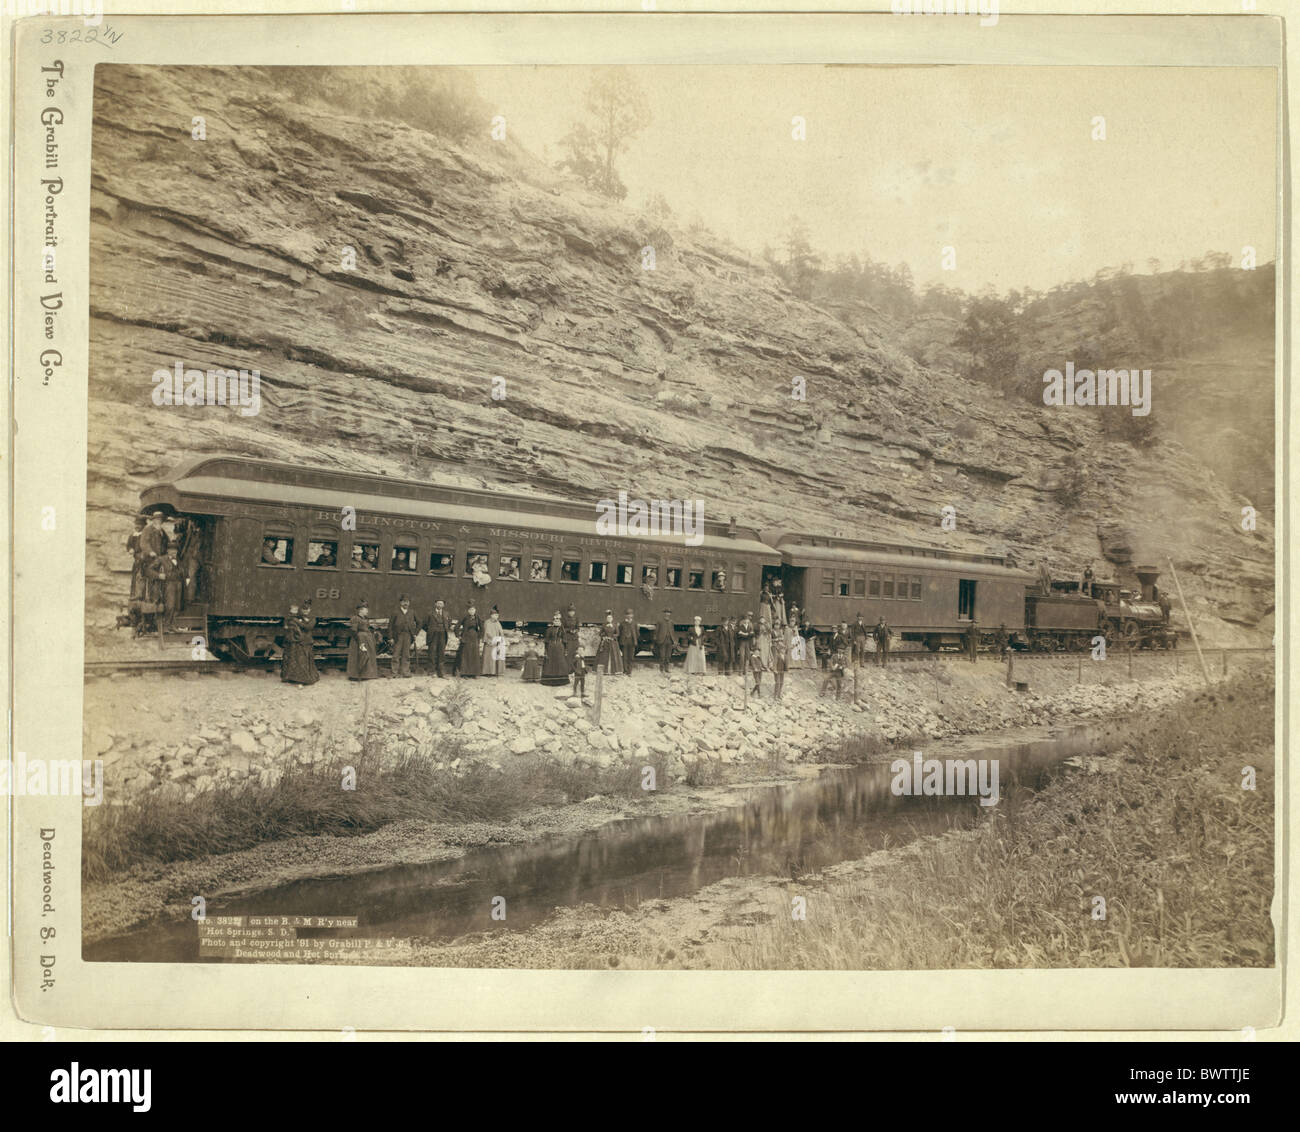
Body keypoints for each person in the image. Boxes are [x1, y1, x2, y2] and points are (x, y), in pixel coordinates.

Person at [281, 599, 319, 685]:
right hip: (299, 641)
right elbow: (289, 622)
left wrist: (296, 621)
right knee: (298, 660)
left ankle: (305, 678)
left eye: (307, 609)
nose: (305, 611)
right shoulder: (299, 617)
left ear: (309, 610)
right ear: (301, 610)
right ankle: (295, 678)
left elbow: (308, 627)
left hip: (306, 641)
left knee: (305, 660)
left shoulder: (313, 619)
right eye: (303, 610)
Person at [347, 601, 380, 681]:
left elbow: (366, 628)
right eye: (366, 609)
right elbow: (353, 631)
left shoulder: (364, 618)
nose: (367, 611)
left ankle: (367, 674)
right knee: (359, 656)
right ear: (360, 610)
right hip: (359, 640)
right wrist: (360, 642)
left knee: (367, 655)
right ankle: (356, 675)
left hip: (366, 639)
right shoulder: (355, 618)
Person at [388, 594, 419, 678]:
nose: (406, 603)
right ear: (400, 603)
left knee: (406, 654)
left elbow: (420, 622)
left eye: (407, 602)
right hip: (398, 636)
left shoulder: (412, 612)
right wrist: (390, 637)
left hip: (408, 636)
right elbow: (390, 626)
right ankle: (394, 672)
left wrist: (415, 633)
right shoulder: (395, 612)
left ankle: (405, 672)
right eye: (404, 602)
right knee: (396, 654)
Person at [424, 599, 452, 678]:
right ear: (435, 604)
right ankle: (432, 672)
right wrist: (430, 630)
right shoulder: (430, 613)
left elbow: (449, 623)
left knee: (441, 653)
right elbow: (424, 624)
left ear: (443, 605)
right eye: (438, 603)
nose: (440, 605)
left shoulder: (446, 613)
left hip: (443, 635)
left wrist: (445, 629)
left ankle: (441, 672)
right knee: (432, 653)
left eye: (441, 603)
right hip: (433, 635)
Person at [541, 613, 570, 686]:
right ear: (553, 622)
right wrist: (546, 650)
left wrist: (566, 649)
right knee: (550, 663)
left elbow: (565, 640)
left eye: (558, 621)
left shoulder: (562, 630)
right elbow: (546, 641)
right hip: (551, 648)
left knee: (560, 662)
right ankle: (549, 680)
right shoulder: (549, 630)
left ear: (560, 622)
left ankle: (561, 680)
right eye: (555, 621)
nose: (556, 622)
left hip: (560, 648)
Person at [456, 603, 483, 677]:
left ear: (475, 610)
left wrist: (480, 636)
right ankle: (464, 673)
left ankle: (474, 673)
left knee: (474, 655)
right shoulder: (464, 617)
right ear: (468, 611)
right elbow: (457, 626)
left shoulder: (477, 617)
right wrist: (458, 636)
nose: (472, 611)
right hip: (466, 637)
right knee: (466, 655)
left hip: (474, 638)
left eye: (473, 610)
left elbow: (482, 627)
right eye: (470, 610)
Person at [820, 632, 849, 699]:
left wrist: (842, 667)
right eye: (839, 649)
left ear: (843, 651)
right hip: (833, 671)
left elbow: (847, 665)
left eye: (841, 650)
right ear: (838, 650)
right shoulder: (834, 655)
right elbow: (830, 662)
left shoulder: (844, 658)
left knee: (839, 684)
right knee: (826, 679)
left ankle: (838, 696)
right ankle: (822, 692)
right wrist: (832, 666)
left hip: (839, 672)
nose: (840, 651)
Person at [480, 606, 506, 676]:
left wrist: (501, 639)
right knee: (489, 657)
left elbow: (501, 631)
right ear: (491, 615)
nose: (496, 616)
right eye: (495, 615)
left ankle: (495, 672)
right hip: (490, 642)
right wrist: (495, 639)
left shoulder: (498, 623)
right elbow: (487, 633)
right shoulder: (487, 622)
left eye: (497, 615)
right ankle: (487, 672)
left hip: (496, 641)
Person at [596, 610, 619, 675]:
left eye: (610, 618)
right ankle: (605, 671)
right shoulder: (604, 625)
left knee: (614, 655)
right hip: (605, 642)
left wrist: (613, 636)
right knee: (604, 656)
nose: (609, 619)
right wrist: (604, 637)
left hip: (612, 642)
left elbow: (617, 633)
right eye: (608, 618)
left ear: (612, 619)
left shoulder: (615, 625)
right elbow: (600, 633)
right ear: (606, 619)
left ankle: (613, 670)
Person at [618, 609, 638, 676]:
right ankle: (625, 671)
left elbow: (637, 633)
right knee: (625, 657)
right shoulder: (622, 623)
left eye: (630, 614)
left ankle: (629, 671)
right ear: (625, 616)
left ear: (632, 615)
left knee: (631, 657)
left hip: (632, 642)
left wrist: (635, 640)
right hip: (624, 642)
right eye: (627, 614)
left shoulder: (634, 623)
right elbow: (619, 633)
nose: (629, 616)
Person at [653, 608, 674, 673]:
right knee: (662, 655)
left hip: (669, 640)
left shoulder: (671, 622)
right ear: (664, 613)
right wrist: (656, 638)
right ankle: (661, 669)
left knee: (668, 656)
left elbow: (672, 631)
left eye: (669, 612)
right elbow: (657, 631)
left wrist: (673, 639)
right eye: (666, 612)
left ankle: (666, 669)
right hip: (662, 640)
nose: (667, 614)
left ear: (670, 614)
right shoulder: (660, 621)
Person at [772, 624, 789, 700]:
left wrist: (787, 669)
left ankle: (779, 694)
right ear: (780, 650)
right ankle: (775, 695)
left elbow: (786, 664)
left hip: (782, 671)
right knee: (777, 683)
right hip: (777, 671)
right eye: (782, 649)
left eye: (784, 649)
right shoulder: (777, 655)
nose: (783, 651)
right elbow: (774, 663)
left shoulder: (785, 656)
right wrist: (774, 669)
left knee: (781, 683)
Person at [562, 603, 580, 669]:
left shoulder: (576, 618)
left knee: (575, 652)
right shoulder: (564, 619)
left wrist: (576, 630)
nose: (571, 613)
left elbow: (578, 628)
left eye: (573, 612)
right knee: (568, 652)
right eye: (570, 612)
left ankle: (575, 667)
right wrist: (569, 630)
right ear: (568, 612)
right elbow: (563, 628)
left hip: (575, 638)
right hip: (568, 638)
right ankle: (568, 668)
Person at [757, 596, 773, 669]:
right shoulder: (759, 626)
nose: (762, 620)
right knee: (761, 652)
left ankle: (767, 665)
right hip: (761, 639)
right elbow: (758, 633)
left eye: (763, 619)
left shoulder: (767, 625)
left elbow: (770, 632)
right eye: (761, 619)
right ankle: (762, 665)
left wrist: (767, 632)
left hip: (766, 639)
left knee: (767, 652)